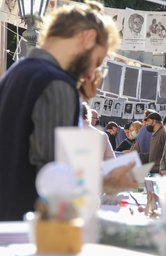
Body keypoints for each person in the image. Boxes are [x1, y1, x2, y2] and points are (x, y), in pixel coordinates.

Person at [0, 1, 132, 221]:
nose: (93, 70)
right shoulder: (57, 83)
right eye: (97, 60)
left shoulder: (17, 71)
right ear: (88, 37)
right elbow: (56, 179)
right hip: (33, 231)